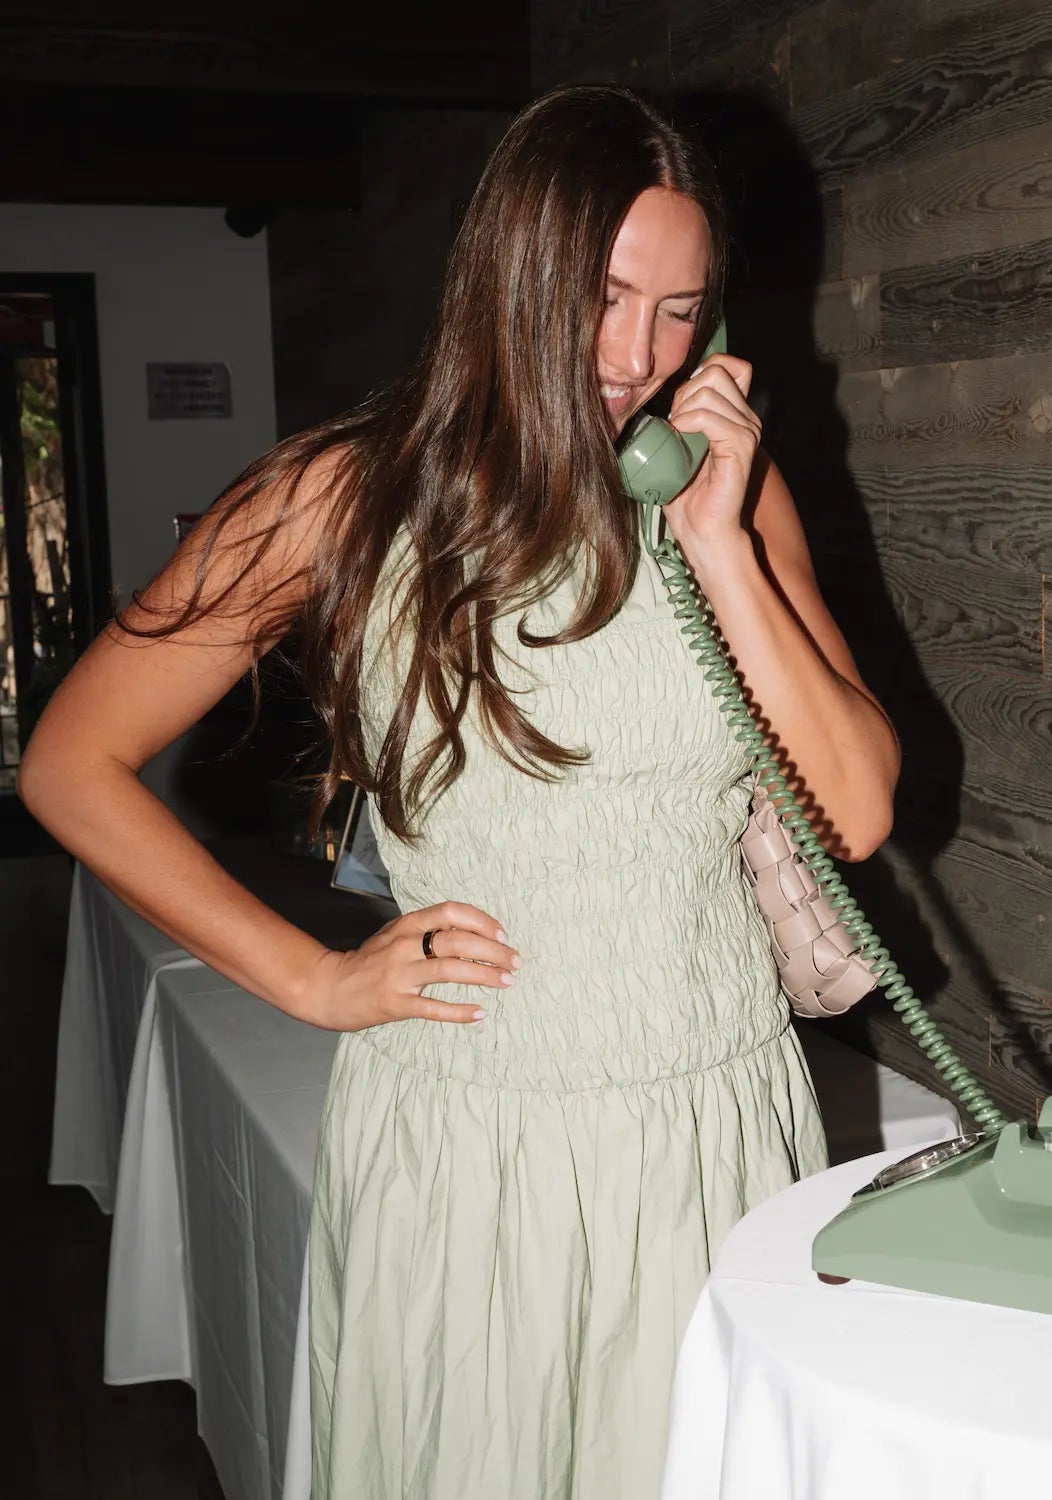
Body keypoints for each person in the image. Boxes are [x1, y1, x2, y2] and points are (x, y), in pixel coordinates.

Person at [19, 84, 899, 1498]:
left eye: (682, 312)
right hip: (481, 1134)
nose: (641, 354)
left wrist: (719, 546)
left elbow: (854, 808)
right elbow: (71, 764)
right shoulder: (344, 498)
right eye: (604, 298)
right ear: (511, 277)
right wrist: (312, 981)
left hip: (720, 1120)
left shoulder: (727, 498)